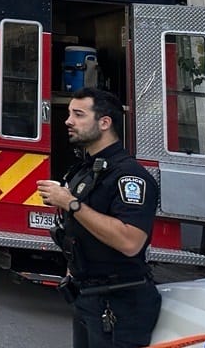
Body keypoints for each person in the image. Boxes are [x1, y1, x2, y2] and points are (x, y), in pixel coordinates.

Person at [36, 87, 161, 348]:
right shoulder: (88, 169)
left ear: (104, 122)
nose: (68, 120)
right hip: (88, 297)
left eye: (79, 114)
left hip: (119, 304)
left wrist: (70, 203)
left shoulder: (129, 177)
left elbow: (130, 242)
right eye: (70, 113)